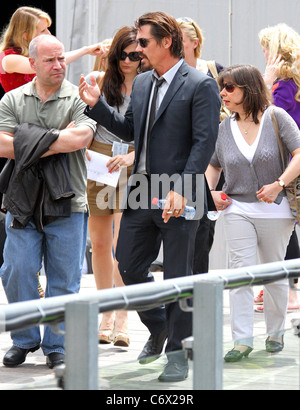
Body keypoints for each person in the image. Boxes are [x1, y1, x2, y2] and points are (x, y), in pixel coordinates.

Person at [79, 11, 220, 382]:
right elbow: (130, 129)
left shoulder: (199, 84)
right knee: (127, 265)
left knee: (178, 274)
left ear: (166, 43)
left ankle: (177, 351)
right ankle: (159, 324)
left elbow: (204, 143)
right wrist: (97, 106)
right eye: (137, 42)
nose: (137, 48)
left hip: (180, 192)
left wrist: (183, 188)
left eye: (143, 42)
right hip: (141, 189)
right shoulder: (142, 83)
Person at [0, 34, 96, 369]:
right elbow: (1, 144)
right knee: (17, 269)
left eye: (61, 59)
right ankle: (24, 340)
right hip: (22, 199)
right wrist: (56, 137)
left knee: (64, 278)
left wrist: (25, 137)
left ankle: (57, 344)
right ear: (32, 64)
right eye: (50, 60)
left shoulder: (79, 97)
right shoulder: (12, 99)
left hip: (68, 199)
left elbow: (81, 137)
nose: (59, 65)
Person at [206, 64, 300, 362]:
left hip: (277, 209)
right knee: (240, 273)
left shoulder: (277, 117)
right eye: (222, 87)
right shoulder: (223, 127)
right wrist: (210, 193)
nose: (223, 92)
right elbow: (213, 165)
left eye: (230, 87)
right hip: (236, 208)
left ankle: (275, 331)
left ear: (250, 89)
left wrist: (279, 184)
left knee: (273, 272)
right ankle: (242, 340)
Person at [86, 26, 139, 347]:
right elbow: (84, 121)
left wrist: (136, 156)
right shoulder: (101, 83)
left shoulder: (150, 84)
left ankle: (121, 315)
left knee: (125, 242)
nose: (129, 60)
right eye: (124, 53)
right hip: (99, 160)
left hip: (132, 160)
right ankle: (106, 311)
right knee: (100, 242)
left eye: (136, 54)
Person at [254, 23, 300, 311]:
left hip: (287, 166)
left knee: (282, 227)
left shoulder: (281, 87)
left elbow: (261, 116)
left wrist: (264, 82)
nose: (261, 51)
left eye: (264, 47)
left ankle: (290, 290)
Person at [177, 16, 228, 274]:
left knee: (204, 225)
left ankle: (198, 285)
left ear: (194, 43)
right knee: (181, 223)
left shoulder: (213, 70)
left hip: (211, 155)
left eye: (179, 40)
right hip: (178, 156)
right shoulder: (164, 73)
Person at [0, 6, 103, 93]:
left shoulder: (33, 54)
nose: (49, 33)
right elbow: (44, 64)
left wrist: (86, 50)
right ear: (26, 35)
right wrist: (85, 50)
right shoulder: (7, 58)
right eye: (43, 30)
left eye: (47, 28)